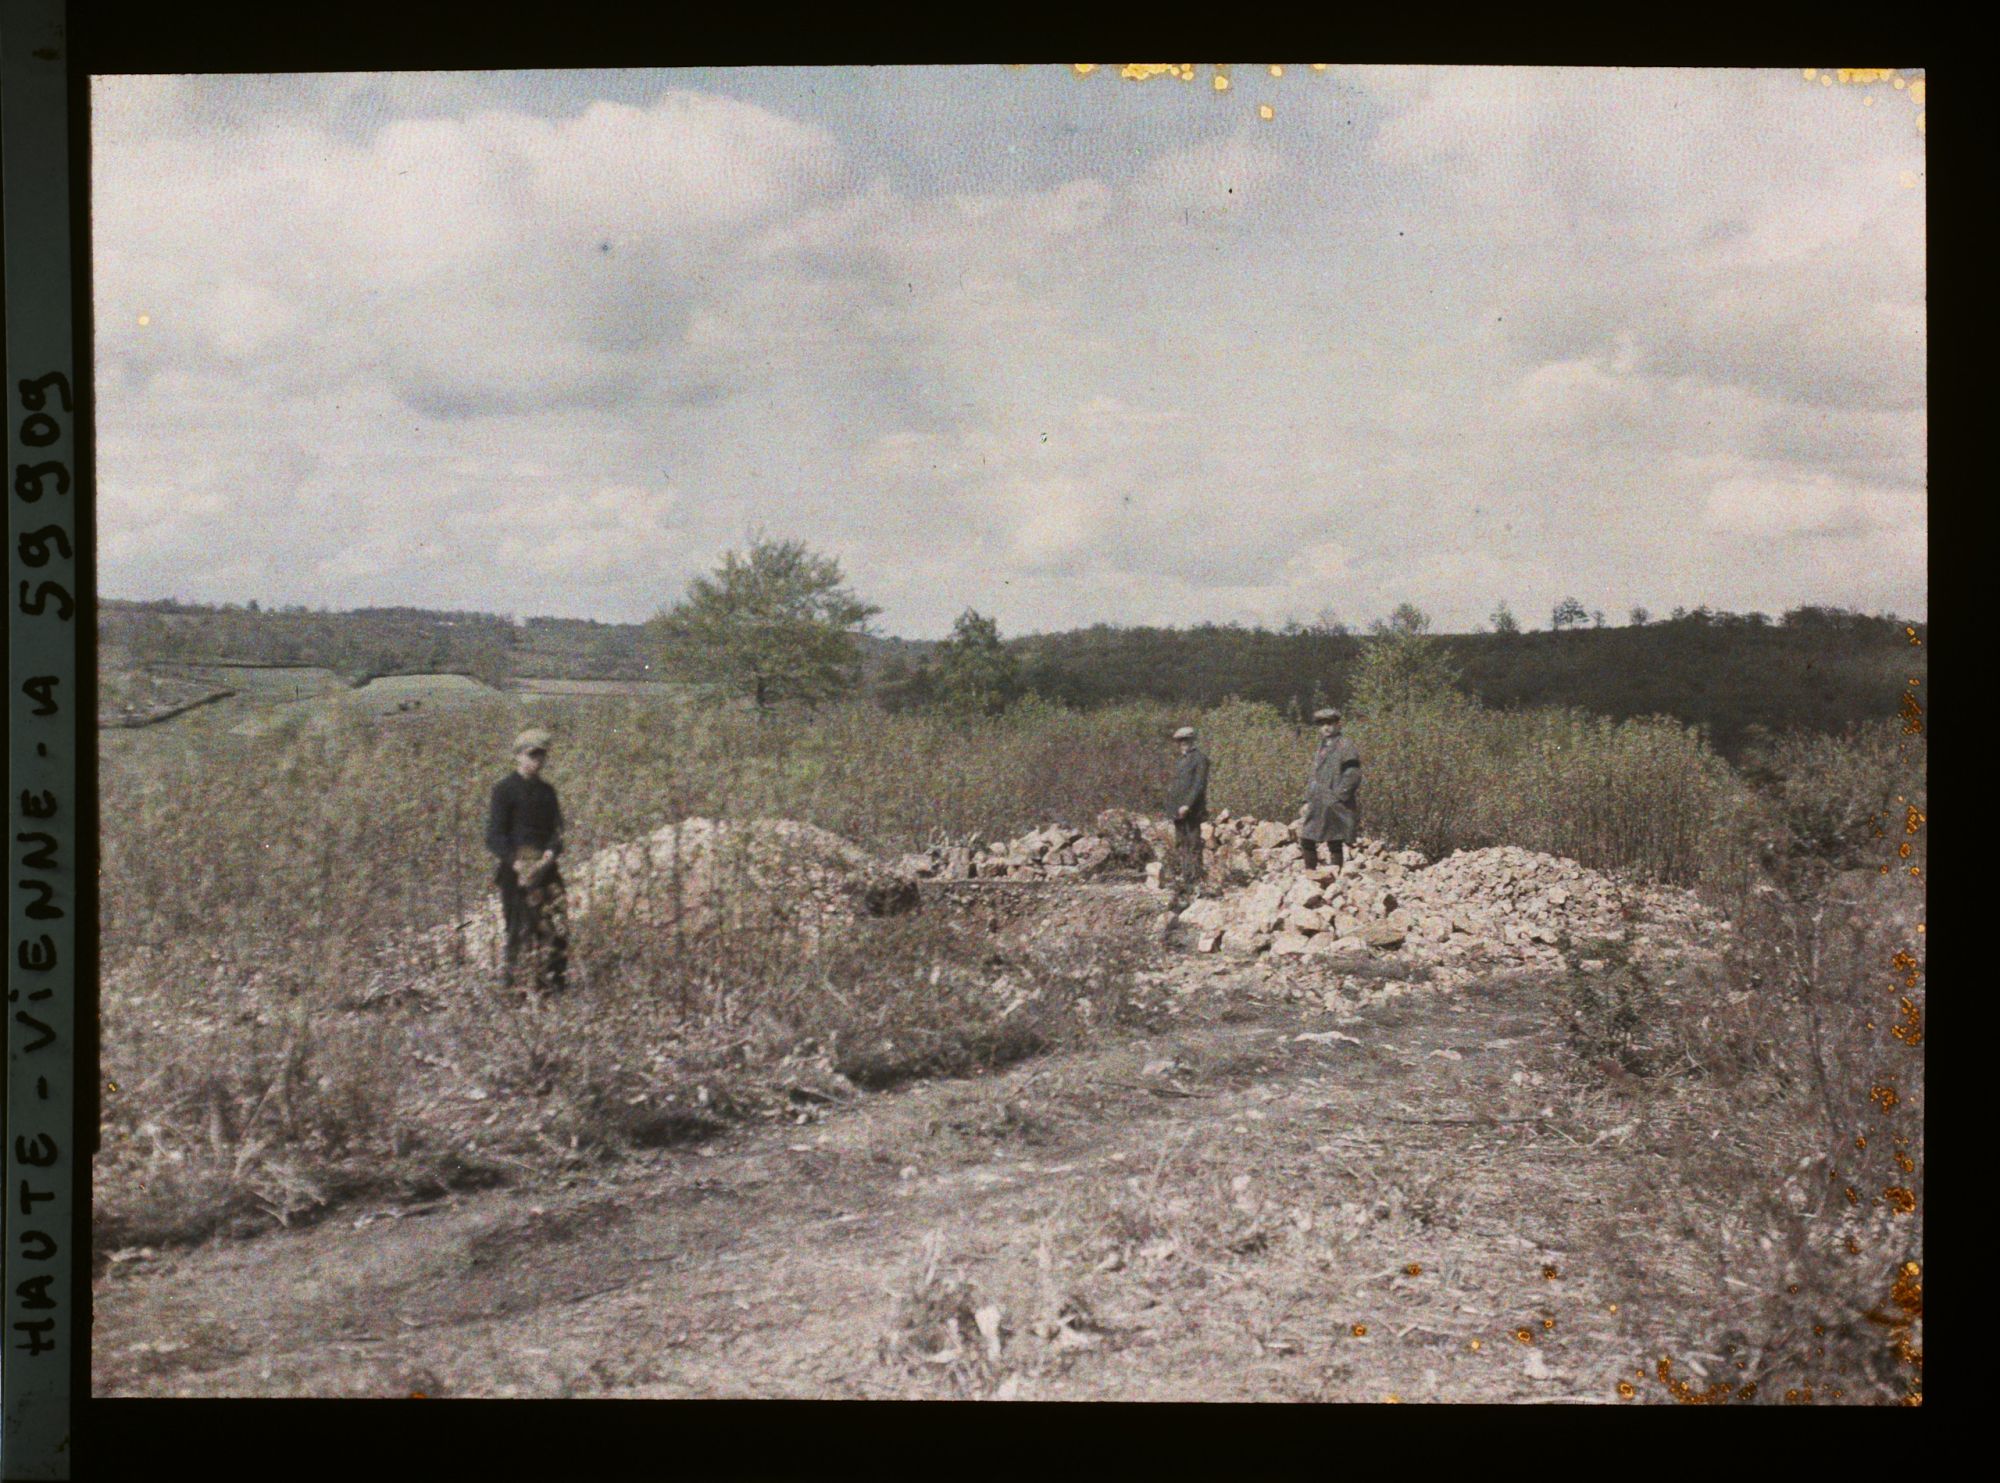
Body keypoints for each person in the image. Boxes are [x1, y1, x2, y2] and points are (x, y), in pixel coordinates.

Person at [485, 727, 569, 996]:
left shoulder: (548, 792)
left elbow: (557, 833)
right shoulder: (504, 790)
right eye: (532, 754)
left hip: (546, 870)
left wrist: (548, 857)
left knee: (556, 928)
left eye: (542, 755)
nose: (538, 760)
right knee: (518, 931)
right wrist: (516, 862)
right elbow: (494, 837)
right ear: (518, 756)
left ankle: (554, 990)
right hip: (515, 872)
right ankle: (512, 993)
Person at [1298, 706, 1361, 870]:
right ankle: (1310, 875)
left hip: (1334, 802)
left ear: (1338, 724)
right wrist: (1306, 800)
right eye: (1322, 724)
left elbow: (1353, 774)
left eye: (1330, 723)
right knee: (1307, 837)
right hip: (1318, 801)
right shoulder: (1322, 747)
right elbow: (1314, 776)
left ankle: (1335, 877)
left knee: (1335, 840)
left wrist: (1338, 797)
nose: (1326, 727)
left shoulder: (1345, 745)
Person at [1167, 725, 1211, 891]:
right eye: (1180, 741)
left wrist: (1187, 804)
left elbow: (1198, 785)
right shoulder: (1180, 761)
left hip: (1191, 810)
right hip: (1177, 810)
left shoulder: (1200, 759)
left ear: (1193, 740)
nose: (1182, 744)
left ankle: (1195, 879)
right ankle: (1186, 877)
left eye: (1186, 740)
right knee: (1181, 843)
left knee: (1193, 843)